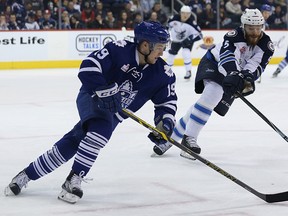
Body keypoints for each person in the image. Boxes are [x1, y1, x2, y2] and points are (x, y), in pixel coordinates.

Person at [4, 21, 177, 204]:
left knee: (74, 141)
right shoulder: (118, 50)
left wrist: (165, 123)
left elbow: (167, 102)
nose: (162, 52)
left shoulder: (163, 73)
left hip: (115, 114)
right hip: (92, 96)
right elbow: (88, 66)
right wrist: (103, 89)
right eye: (159, 47)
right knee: (99, 134)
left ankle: (26, 175)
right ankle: (73, 181)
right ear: (145, 45)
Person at [151, 8, 274, 159]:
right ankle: (189, 140)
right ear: (243, 26)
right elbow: (227, 57)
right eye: (250, 28)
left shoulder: (267, 45)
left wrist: (245, 79)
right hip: (214, 64)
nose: (255, 32)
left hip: (233, 74)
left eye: (258, 28)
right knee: (213, 94)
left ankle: (171, 139)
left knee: (204, 104)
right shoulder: (233, 36)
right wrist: (234, 74)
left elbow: (256, 66)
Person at [166, 5, 203, 80]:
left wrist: (190, 39)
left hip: (187, 41)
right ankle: (166, 71)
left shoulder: (192, 23)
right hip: (176, 40)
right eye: (183, 13)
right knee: (171, 55)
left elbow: (200, 35)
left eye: (187, 13)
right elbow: (167, 26)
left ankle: (188, 71)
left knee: (186, 53)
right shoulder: (174, 18)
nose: (185, 15)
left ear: (190, 14)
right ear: (180, 13)